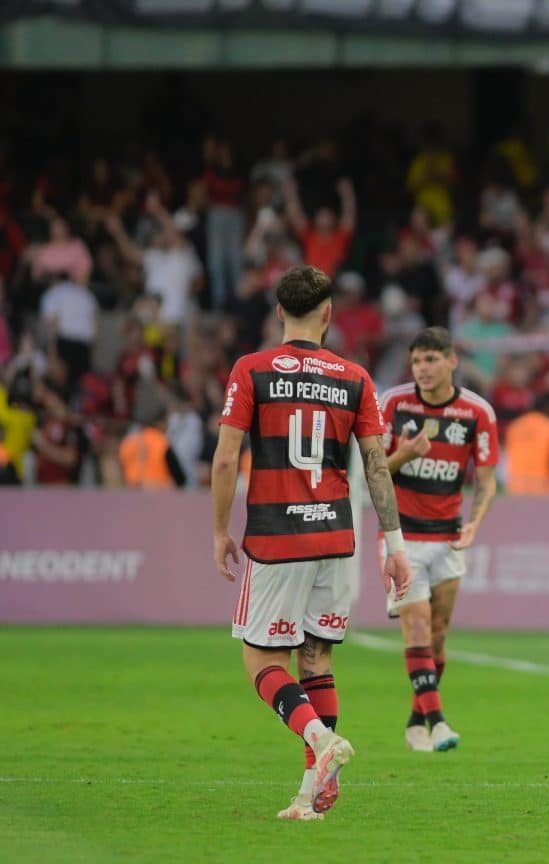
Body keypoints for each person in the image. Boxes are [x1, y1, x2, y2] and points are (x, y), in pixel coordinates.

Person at [210, 265, 411, 820]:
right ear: (328, 314)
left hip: (277, 537)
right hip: (333, 534)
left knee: (260, 660)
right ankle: (310, 796)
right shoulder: (354, 377)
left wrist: (219, 530)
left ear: (279, 312)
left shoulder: (251, 369)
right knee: (316, 659)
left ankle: (320, 742)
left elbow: (227, 456)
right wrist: (395, 546)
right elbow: (376, 466)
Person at [379, 327, 499, 753]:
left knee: (440, 635)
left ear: (452, 361)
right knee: (416, 624)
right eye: (416, 362)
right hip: (401, 538)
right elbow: (371, 473)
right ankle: (438, 721)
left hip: (448, 537)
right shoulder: (392, 404)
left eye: (431, 360)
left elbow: (486, 482)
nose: (423, 369)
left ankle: (416, 718)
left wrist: (474, 523)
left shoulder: (476, 412)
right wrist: (405, 455)